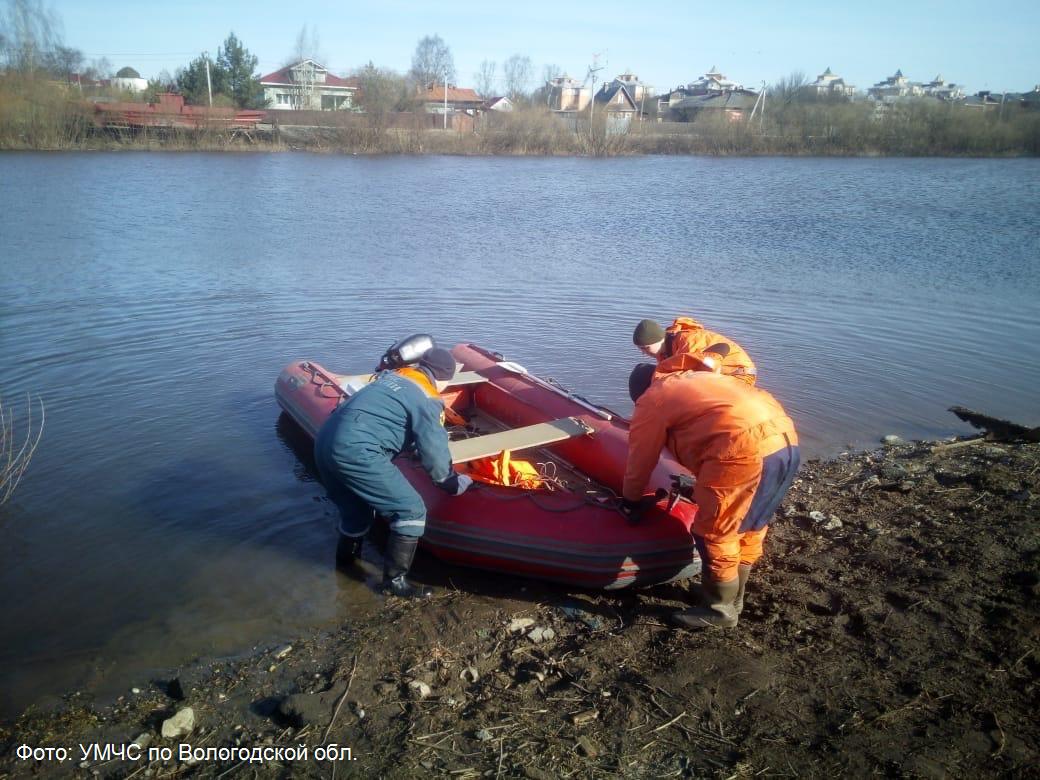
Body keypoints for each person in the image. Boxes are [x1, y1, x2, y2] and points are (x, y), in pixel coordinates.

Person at [622, 357, 799, 629]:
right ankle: (734, 598)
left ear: (639, 392)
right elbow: (711, 426)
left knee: (714, 532)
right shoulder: (692, 380)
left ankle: (719, 610)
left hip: (743, 450)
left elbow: (640, 460)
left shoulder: (652, 399)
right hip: (785, 441)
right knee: (751, 524)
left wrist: (631, 501)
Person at [314, 346, 472, 598]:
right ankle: (394, 582)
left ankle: (344, 568)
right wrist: (450, 482)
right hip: (357, 451)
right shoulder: (429, 397)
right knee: (411, 509)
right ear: (443, 378)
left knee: (356, 513)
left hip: (326, 441)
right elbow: (434, 448)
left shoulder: (393, 376)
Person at [632, 317, 758, 384]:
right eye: (640, 349)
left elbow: (708, 370)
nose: (644, 353)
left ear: (659, 339)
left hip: (739, 374)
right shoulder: (664, 351)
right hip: (718, 373)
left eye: (646, 348)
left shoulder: (689, 342)